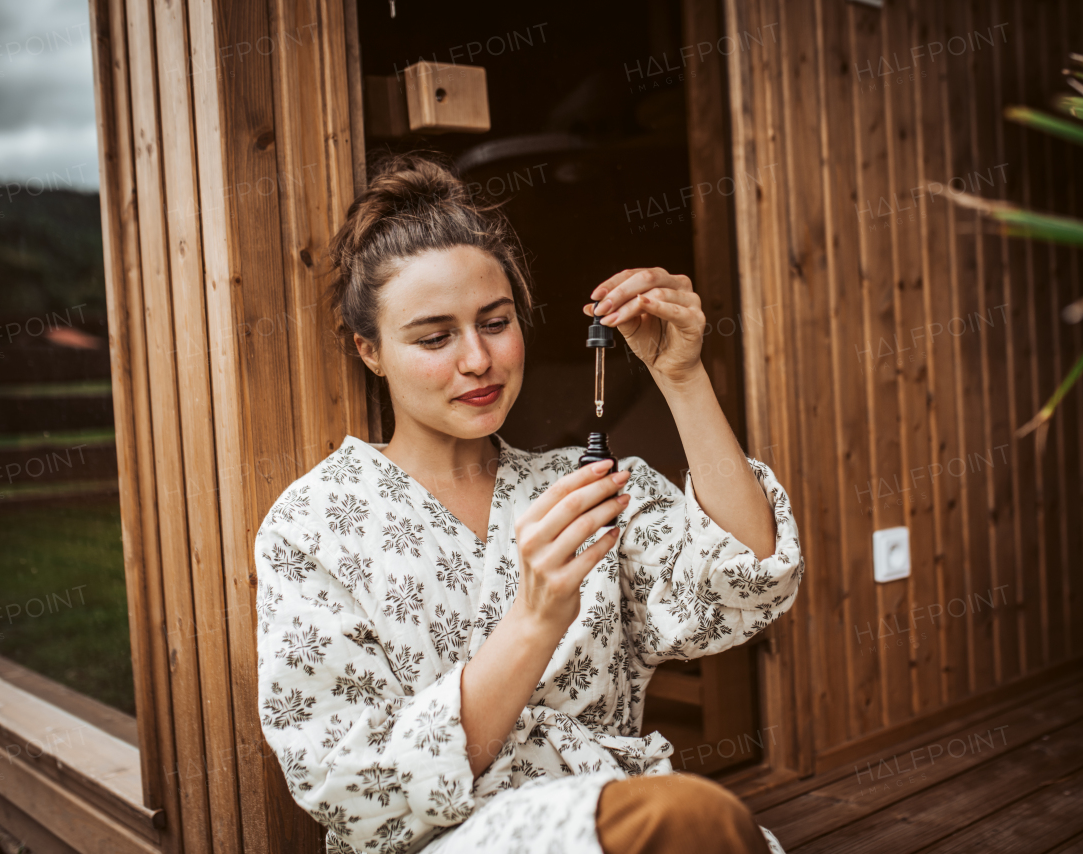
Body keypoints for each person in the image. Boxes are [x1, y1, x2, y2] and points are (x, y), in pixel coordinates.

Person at [253, 151, 804, 854]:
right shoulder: (312, 528)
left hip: (614, 817)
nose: (477, 360)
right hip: (443, 843)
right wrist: (536, 619)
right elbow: (351, 792)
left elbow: (748, 584)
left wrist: (683, 376)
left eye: (495, 322)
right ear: (370, 350)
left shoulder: (584, 488)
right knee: (690, 822)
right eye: (434, 336)